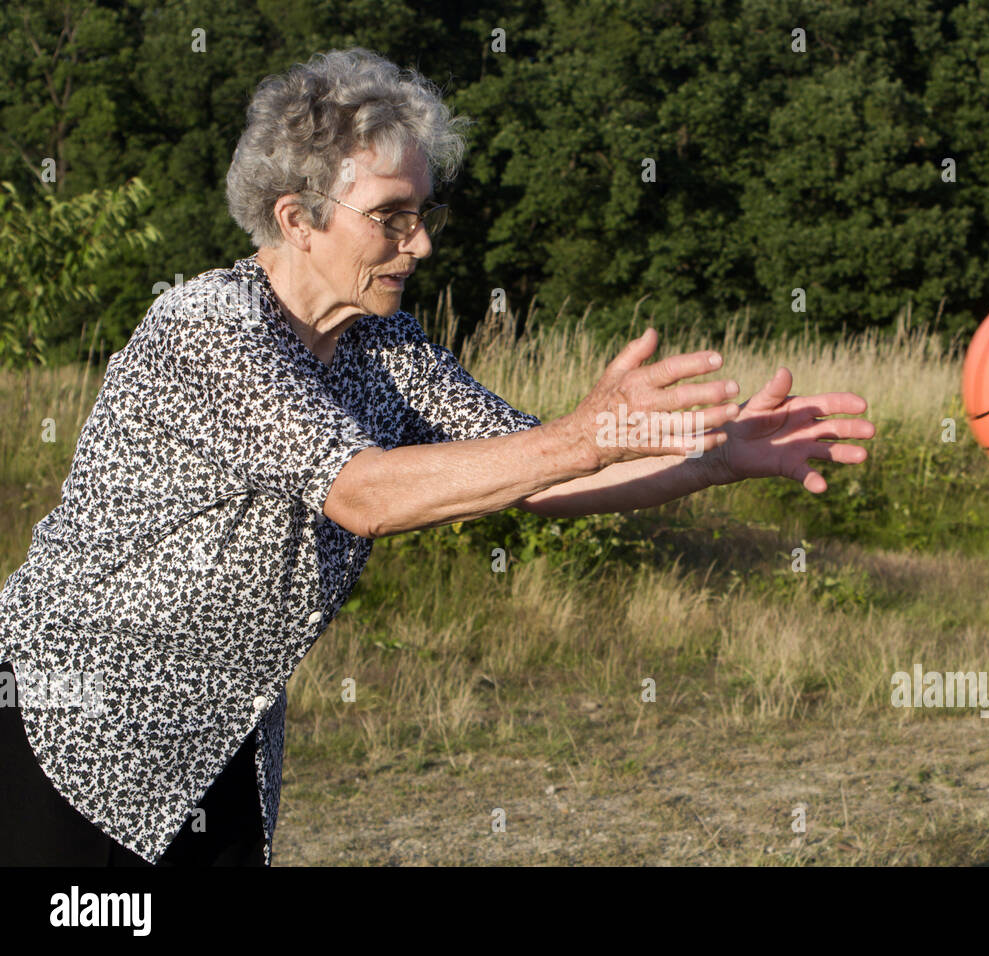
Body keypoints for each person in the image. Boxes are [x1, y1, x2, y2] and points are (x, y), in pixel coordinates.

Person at [0, 47, 874, 866]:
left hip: (221, 732)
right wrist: (580, 435)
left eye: (424, 214)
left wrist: (714, 456)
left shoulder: (385, 346)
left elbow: (533, 471)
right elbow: (365, 494)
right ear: (296, 218)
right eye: (390, 216)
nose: (419, 244)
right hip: (71, 729)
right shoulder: (210, 330)